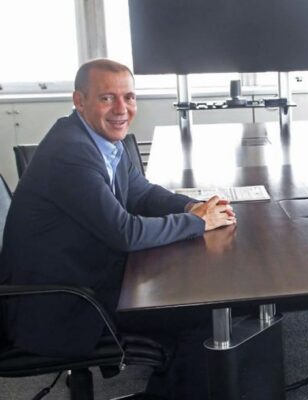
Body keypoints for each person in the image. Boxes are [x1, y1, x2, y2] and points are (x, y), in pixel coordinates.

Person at [0, 58, 236, 399]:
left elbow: (141, 192)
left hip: (88, 275)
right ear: (79, 101)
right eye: (107, 98)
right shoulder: (71, 152)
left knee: (193, 298)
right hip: (62, 304)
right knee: (202, 318)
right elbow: (125, 233)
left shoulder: (104, 140)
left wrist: (191, 207)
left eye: (129, 97)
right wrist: (198, 222)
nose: (121, 109)